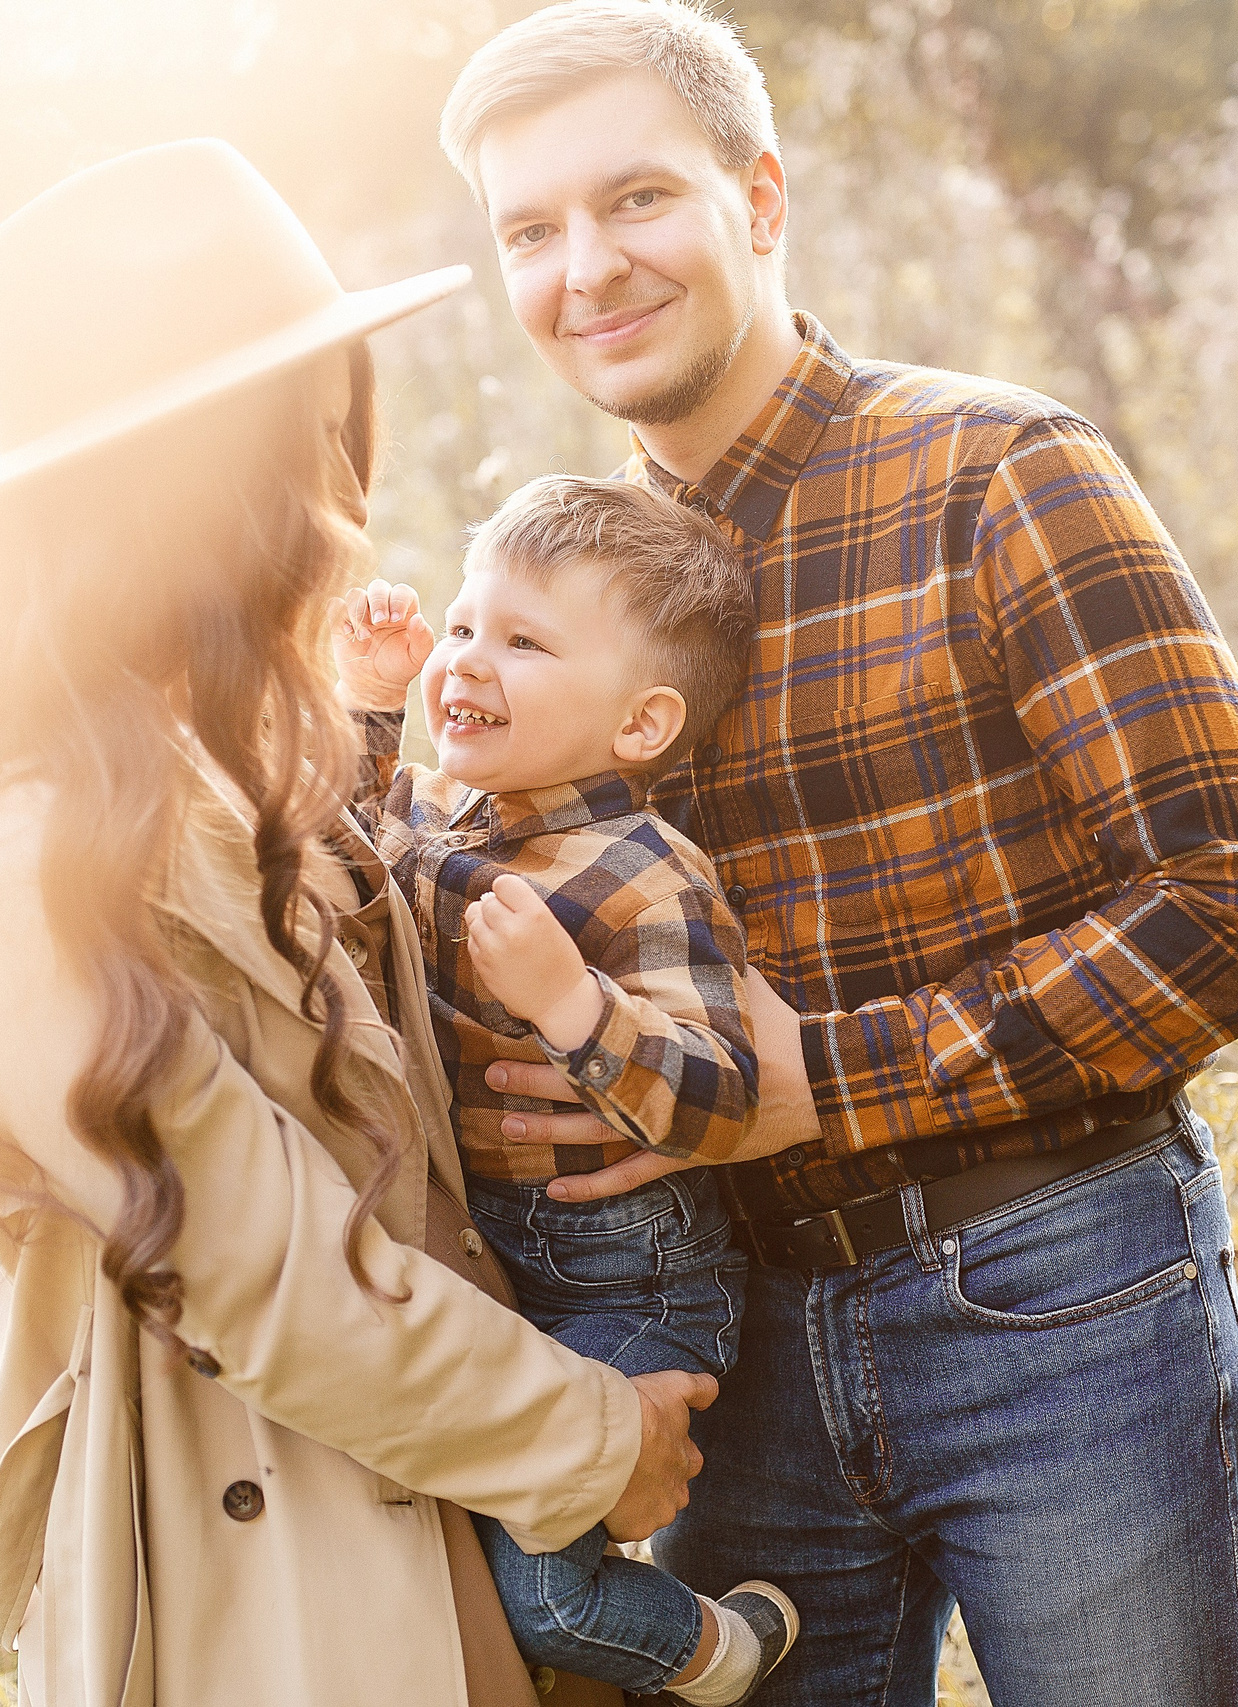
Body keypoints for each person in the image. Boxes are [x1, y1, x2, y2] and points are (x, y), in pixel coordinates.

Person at [435, 6, 1238, 1706]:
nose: (587, 267)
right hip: (726, 1337)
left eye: (637, 200)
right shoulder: (549, 597)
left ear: (759, 200)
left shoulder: (996, 472)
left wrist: (825, 1082)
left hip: (1058, 1295)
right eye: (530, 231)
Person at [0, 138, 715, 1707]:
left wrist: (622, 1078)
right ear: (199, 490)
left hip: (429, 1524)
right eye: (310, 436)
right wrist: (595, 1441)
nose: (343, 493)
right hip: (271, 1599)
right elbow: (255, 1265)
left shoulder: (233, 758)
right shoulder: (20, 851)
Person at [330, 475, 794, 1705]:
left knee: (537, 1591)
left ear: (640, 726)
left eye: (524, 643)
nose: (470, 662)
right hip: (496, 1263)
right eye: (469, 626)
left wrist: (575, 1010)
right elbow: (334, 847)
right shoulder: (438, 810)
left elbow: (724, 1098)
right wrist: (373, 704)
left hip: (632, 1278)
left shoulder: (646, 878)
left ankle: (717, 1650)